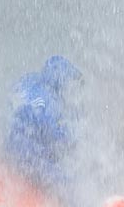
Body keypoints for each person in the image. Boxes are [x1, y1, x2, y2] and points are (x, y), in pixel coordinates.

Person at [5, 55, 81, 190]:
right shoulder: (48, 97)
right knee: (66, 187)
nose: (69, 87)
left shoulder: (29, 81)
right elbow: (46, 127)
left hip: (8, 144)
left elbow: (11, 103)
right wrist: (68, 137)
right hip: (26, 153)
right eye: (68, 80)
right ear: (60, 78)